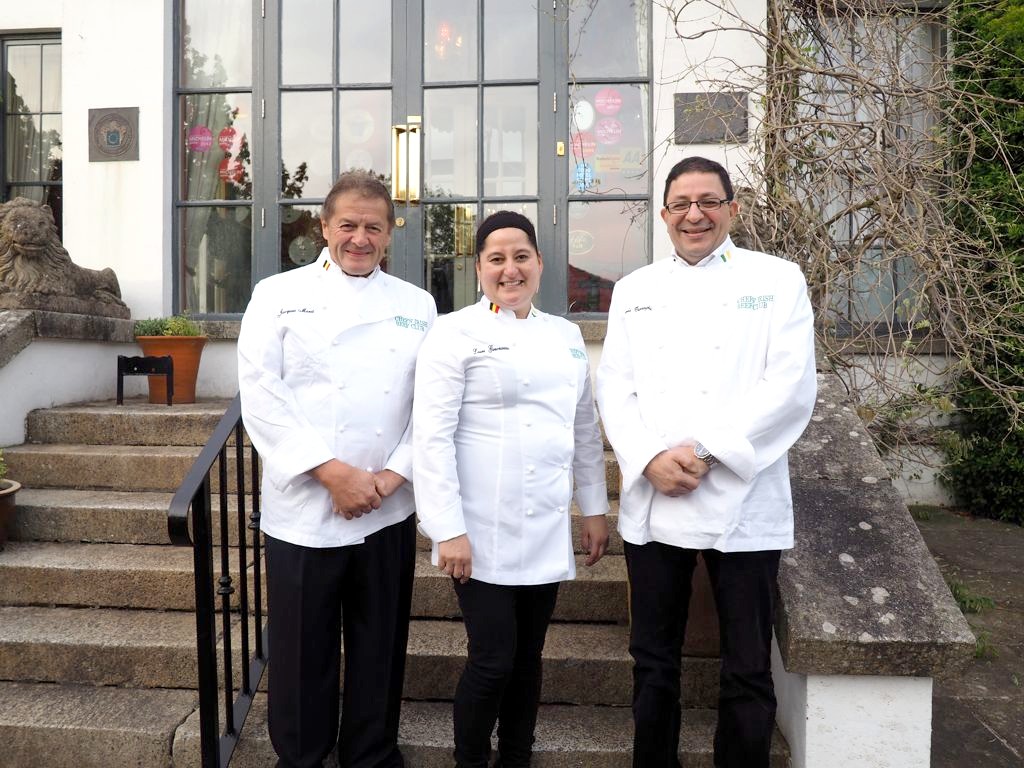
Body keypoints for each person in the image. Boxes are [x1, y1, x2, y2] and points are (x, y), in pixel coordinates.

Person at [595, 156, 817, 768]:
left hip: (744, 500)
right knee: (653, 661)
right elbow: (615, 387)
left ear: (732, 210)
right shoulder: (635, 290)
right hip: (655, 496)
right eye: (681, 204)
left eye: (708, 202)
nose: (695, 214)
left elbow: (789, 387)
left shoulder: (778, 280)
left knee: (746, 665)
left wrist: (702, 452)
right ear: (664, 215)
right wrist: (647, 459)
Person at [237, 170, 437, 768]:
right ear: (324, 227)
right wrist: (331, 473)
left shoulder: (418, 304)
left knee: (380, 646)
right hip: (306, 507)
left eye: (373, 227)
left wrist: (392, 476)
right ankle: (301, 757)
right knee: (302, 648)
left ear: (390, 232)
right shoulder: (276, 294)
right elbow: (261, 393)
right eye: (347, 224)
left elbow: (431, 405)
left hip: (386, 506)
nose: (359, 238)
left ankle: (372, 755)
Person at [412, 211, 610, 768]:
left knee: (528, 657)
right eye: (496, 259)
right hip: (478, 529)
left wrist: (594, 508)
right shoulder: (453, 332)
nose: (510, 269)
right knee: (493, 659)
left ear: (540, 263)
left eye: (521, 256)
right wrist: (446, 528)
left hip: (545, 523)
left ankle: (517, 758)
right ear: (478, 268)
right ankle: (471, 761)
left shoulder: (566, 336)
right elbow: (431, 437)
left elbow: (584, 428)